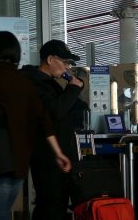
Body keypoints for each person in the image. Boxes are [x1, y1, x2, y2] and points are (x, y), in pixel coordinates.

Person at [0, 31, 71, 220]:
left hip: (0, 158)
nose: (67, 67)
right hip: (19, 161)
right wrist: (58, 153)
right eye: (65, 61)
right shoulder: (26, 81)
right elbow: (44, 119)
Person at [21, 39, 87, 219]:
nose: (67, 67)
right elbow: (53, 112)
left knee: (58, 205)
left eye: (68, 63)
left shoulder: (51, 83)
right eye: (64, 62)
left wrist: (76, 87)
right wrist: (72, 89)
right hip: (47, 157)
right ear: (50, 59)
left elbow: (73, 108)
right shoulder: (32, 83)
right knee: (50, 205)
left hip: (61, 155)